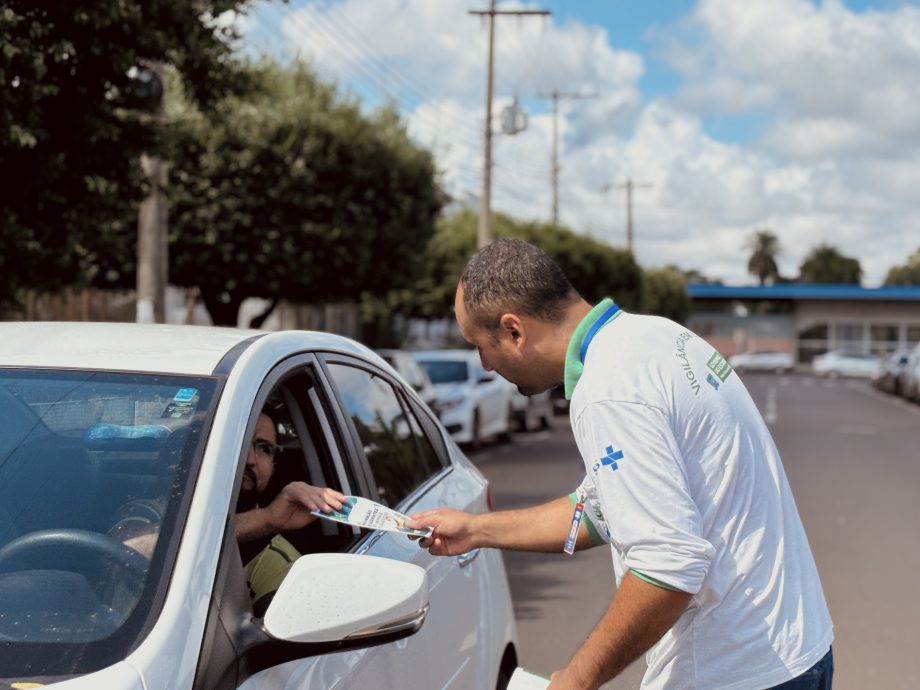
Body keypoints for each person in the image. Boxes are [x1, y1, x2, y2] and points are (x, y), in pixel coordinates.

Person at [408, 239, 833, 690]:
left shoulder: (609, 389)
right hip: (796, 649)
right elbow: (598, 511)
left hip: (732, 671)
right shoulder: (654, 336)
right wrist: (476, 530)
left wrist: (574, 681)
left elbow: (668, 565)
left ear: (514, 330)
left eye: (480, 346)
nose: (485, 366)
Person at [234, 408, 345, 615]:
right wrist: (267, 519)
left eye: (264, 448)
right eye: (238, 440)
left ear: (274, 467)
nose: (250, 459)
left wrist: (270, 519)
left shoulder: (281, 568)